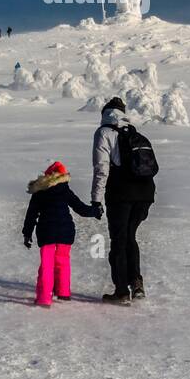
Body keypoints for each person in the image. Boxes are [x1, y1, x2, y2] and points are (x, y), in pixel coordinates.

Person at [91, 97, 157, 304]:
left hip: (121, 194)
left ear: (105, 114)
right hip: (145, 194)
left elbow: (101, 169)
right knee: (130, 236)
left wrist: (96, 199)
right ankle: (136, 283)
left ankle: (121, 291)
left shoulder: (104, 133)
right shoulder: (135, 133)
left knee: (119, 240)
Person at [22, 161, 102, 307]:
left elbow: (31, 215)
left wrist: (27, 234)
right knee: (63, 262)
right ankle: (64, 292)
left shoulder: (40, 191)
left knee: (47, 265)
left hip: (47, 232)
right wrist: (96, 211)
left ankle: (44, 298)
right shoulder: (65, 190)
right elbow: (81, 208)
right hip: (66, 231)